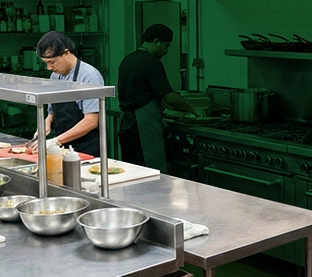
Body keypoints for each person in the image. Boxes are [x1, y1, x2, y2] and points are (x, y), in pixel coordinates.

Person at [117, 24, 201, 171]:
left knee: (132, 172)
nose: (167, 51)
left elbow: (141, 92)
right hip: (141, 127)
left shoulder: (128, 60)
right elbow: (170, 97)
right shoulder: (151, 62)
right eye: (166, 46)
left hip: (126, 124)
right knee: (148, 173)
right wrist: (193, 109)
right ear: (156, 41)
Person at [28, 31, 104, 157]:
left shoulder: (89, 76)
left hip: (85, 149)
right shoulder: (55, 77)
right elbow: (52, 112)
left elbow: (91, 121)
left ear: (66, 53)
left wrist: (55, 141)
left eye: (52, 62)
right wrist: (46, 123)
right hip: (62, 148)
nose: (49, 68)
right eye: (46, 63)